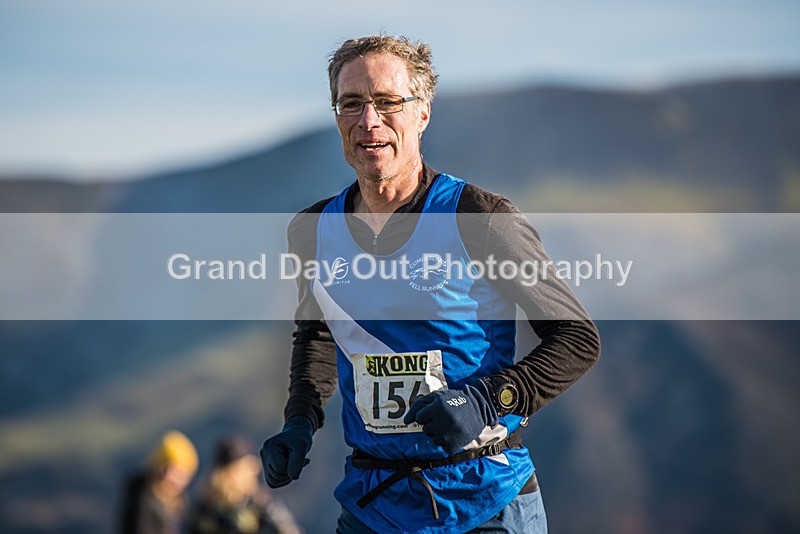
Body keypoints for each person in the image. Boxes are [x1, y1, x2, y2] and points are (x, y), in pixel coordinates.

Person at [260, 35, 601, 533]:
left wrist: (489, 399)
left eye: (387, 102)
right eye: (351, 103)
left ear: (422, 113)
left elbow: (577, 339)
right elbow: (317, 335)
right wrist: (299, 422)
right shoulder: (312, 230)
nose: (368, 121)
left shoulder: (480, 217)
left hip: (484, 500)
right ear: (336, 116)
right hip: (371, 504)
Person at [188, 435, 303, 534]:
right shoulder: (206, 508)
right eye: (247, 468)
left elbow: (289, 529)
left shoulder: (260, 502)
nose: (253, 473)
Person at [120, 430, 198, 534]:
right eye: (165, 469)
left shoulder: (179, 505)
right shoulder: (142, 501)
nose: (170, 477)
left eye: (178, 472)